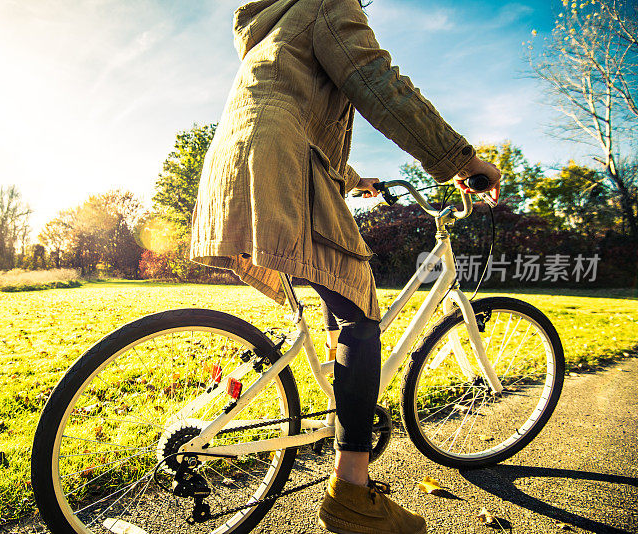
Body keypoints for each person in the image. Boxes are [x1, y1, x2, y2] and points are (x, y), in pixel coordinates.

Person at [189, 0, 502, 532]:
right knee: (359, 310)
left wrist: (353, 178)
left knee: (340, 310)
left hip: (242, 156)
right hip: (281, 160)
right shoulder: (328, 2)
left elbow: (294, 102)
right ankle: (351, 492)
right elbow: (379, 85)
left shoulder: (275, 20)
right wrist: (462, 162)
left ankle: (343, 426)